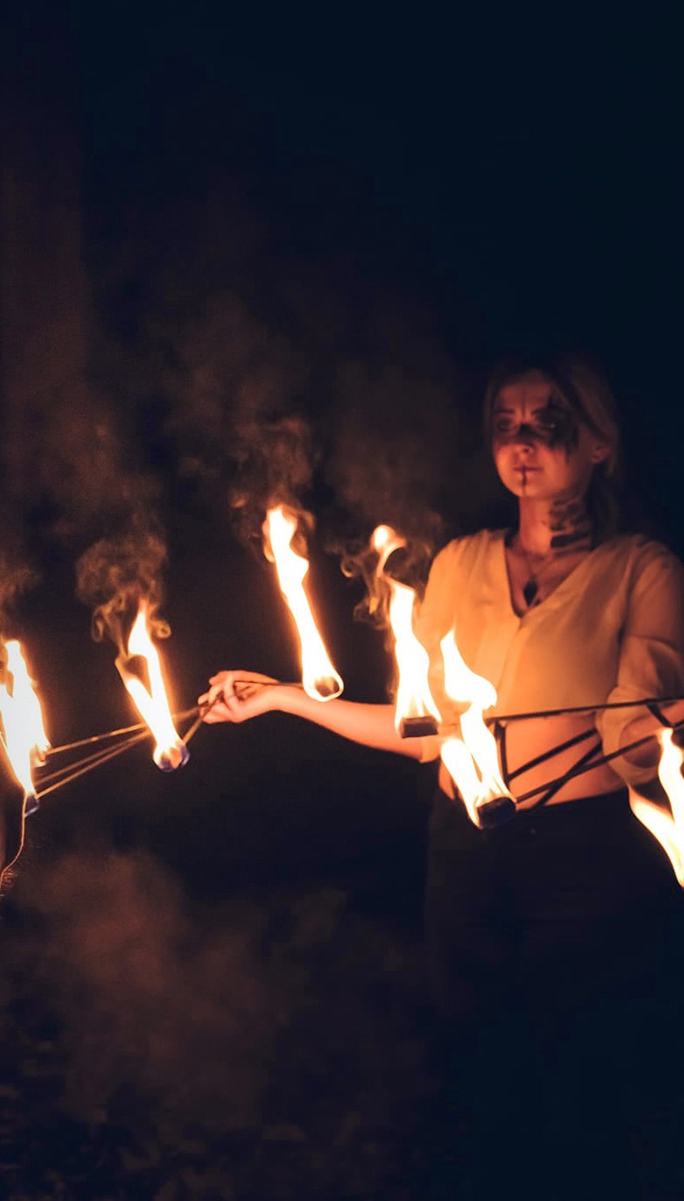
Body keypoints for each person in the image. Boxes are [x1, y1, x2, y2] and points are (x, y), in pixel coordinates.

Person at [200, 353, 684, 1199]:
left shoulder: (644, 570)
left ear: (601, 442)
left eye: (548, 425)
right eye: (506, 425)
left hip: (588, 864)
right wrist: (281, 698)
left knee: (584, 1087)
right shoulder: (461, 562)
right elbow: (426, 731)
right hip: (466, 854)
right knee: (479, 1072)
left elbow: (638, 736)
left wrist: (645, 726)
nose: (522, 444)